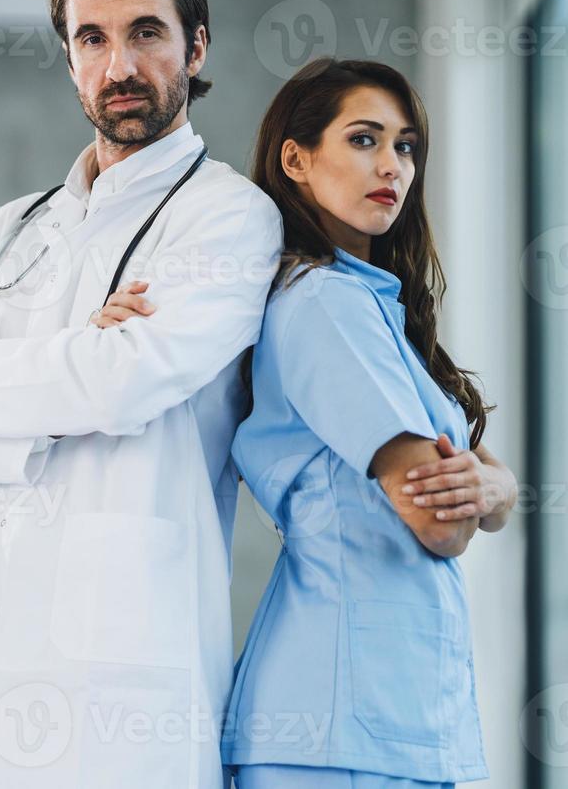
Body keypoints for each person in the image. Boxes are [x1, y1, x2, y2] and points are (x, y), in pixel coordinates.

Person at [0, 0, 282, 788]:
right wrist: (68, 371)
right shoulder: (10, 229)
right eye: (91, 39)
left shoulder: (228, 216)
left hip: (126, 658)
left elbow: (126, 382)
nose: (120, 67)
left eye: (147, 34)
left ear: (197, 45)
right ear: (68, 59)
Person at [215, 58, 515, 788]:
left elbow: (484, 486)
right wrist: (484, 492)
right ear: (296, 158)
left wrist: (489, 490)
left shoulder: (376, 310)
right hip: (336, 723)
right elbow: (440, 519)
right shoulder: (324, 305)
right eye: (364, 140)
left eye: (406, 145)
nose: (392, 166)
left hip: (373, 721)